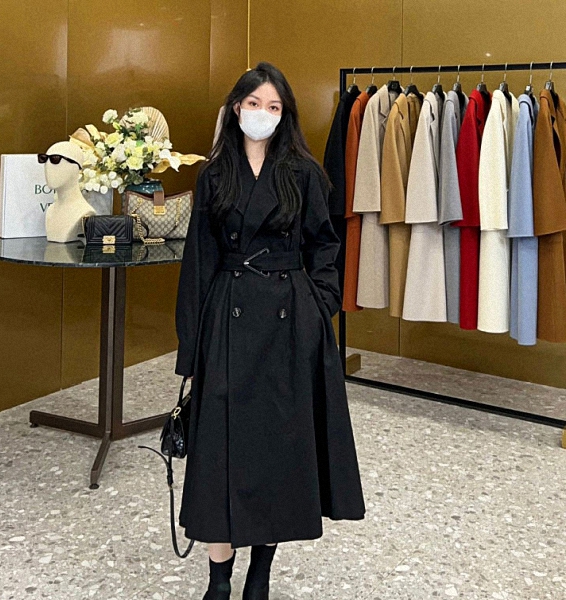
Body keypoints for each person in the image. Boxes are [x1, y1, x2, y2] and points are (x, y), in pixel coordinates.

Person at [174, 61, 365, 600]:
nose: (263, 113)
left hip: (289, 323)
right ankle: (218, 580)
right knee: (219, 453)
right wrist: (191, 351)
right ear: (237, 107)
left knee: (277, 452)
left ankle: (259, 577)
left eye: (274, 106)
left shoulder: (303, 172)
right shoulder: (214, 174)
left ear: (286, 115)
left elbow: (326, 245)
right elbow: (197, 264)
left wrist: (318, 304)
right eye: (254, 103)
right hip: (228, 318)